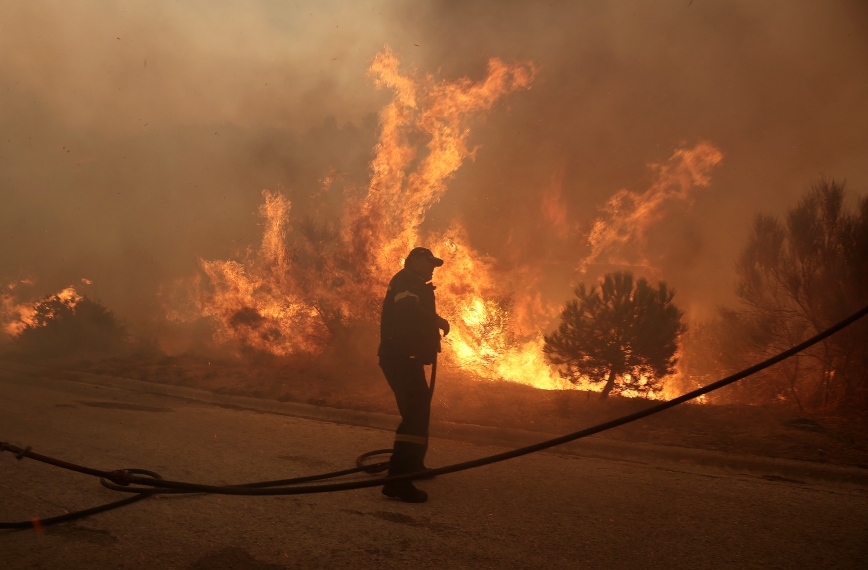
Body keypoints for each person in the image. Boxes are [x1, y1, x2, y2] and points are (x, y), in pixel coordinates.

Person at [378, 247, 450, 503]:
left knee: (419, 411)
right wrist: (437, 320)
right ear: (415, 261)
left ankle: (413, 465)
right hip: (399, 357)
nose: (432, 268)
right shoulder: (407, 279)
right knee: (414, 415)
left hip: (405, 357)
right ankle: (397, 481)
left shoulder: (414, 281)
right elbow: (407, 308)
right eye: (429, 262)